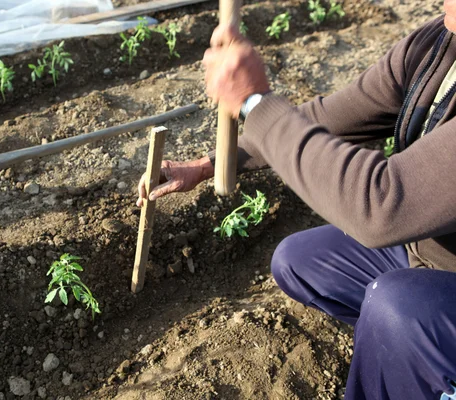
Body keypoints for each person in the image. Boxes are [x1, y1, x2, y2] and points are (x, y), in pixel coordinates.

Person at [136, 2, 456, 399]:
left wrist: (255, 103)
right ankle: (409, 358)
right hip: (426, 255)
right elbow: (333, 117)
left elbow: (381, 206)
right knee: (299, 260)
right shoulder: (437, 45)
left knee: (394, 307)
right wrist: (209, 164)